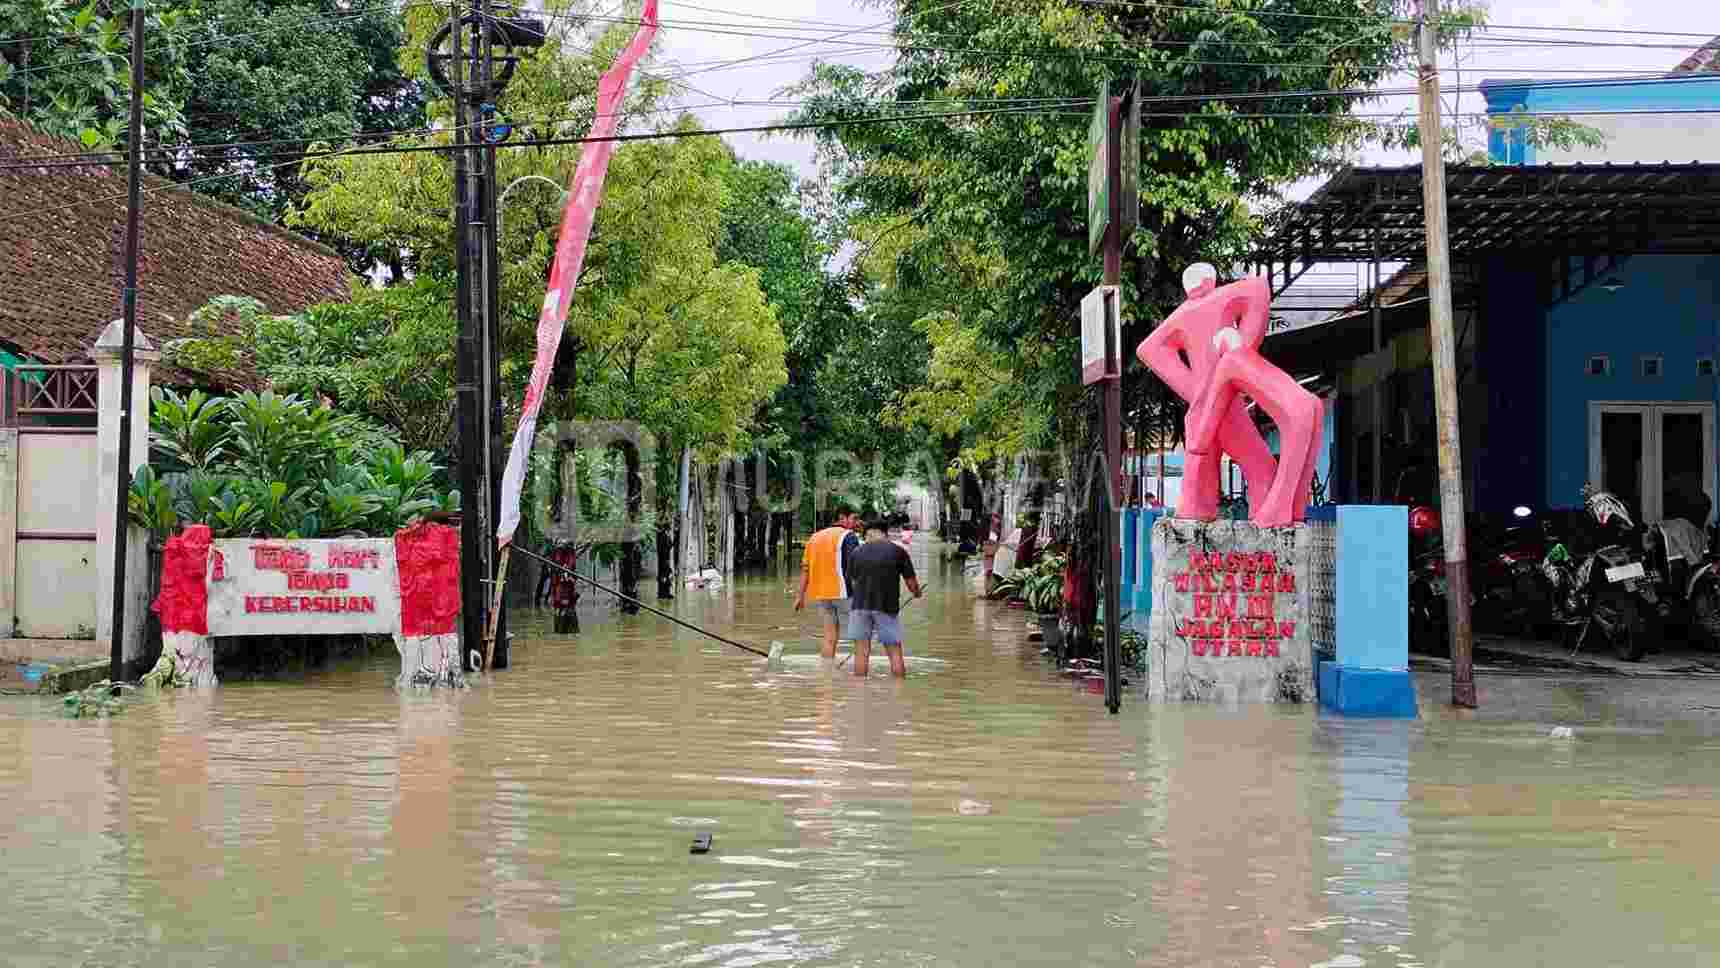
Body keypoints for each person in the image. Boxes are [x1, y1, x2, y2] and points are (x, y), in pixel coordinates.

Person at [845, 519, 924, 677]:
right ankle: (899, 690)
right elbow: (911, 583)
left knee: (861, 652)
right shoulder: (898, 551)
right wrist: (916, 593)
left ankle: (859, 693)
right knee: (894, 651)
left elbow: (853, 583)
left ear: (868, 533)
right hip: (886, 608)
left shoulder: (856, 553)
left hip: (859, 607)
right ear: (885, 533)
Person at [795, 504, 862, 658]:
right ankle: (859, 677)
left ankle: (827, 674)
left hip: (822, 595)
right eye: (854, 518)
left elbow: (806, 570)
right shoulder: (849, 536)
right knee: (860, 637)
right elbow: (856, 567)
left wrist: (800, 597)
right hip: (845, 593)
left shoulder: (814, 537)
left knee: (829, 638)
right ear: (842, 518)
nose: (856, 522)